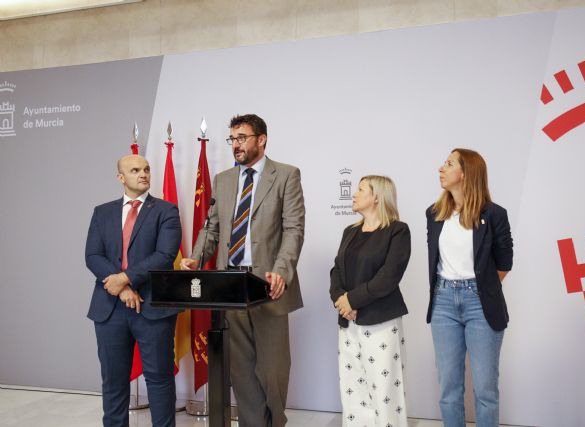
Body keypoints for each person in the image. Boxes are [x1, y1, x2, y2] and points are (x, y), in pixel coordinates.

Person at [181, 114, 305, 427]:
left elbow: (293, 229)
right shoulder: (223, 180)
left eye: (242, 138)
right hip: (230, 287)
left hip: (268, 286)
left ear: (261, 139)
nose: (235, 145)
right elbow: (211, 228)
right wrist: (196, 258)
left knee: (273, 370)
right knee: (242, 371)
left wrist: (281, 271)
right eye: (232, 139)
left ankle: (274, 422)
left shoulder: (286, 175)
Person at [85, 154, 182, 427]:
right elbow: (93, 256)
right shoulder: (102, 212)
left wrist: (124, 278)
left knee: (159, 379)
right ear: (121, 177)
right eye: (135, 170)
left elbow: (164, 255)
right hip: (110, 308)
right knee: (113, 381)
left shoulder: (167, 210)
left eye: (147, 169)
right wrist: (122, 288)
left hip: (153, 307)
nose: (143, 174)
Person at [426, 148, 513, 427]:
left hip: (480, 303)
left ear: (465, 174)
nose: (441, 168)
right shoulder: (434, 213)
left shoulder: (494, 214)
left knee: (485, 389)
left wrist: (480, 289)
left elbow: (505, 263)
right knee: (449, 388)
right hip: (442, 302)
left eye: (449, 163)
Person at [330, 175, 411, 427]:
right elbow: (336, 271)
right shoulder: (350, 231)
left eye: (361, 189)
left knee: (384, 390)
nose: (354, 194)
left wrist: (352, 300)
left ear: (377, 197)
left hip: (380, 321)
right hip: (348, 322)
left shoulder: (397, 231)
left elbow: (388, 277)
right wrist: (341, 301)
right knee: (353, 388)